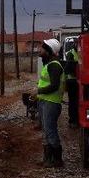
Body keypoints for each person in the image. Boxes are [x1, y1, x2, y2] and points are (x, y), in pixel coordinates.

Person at [34, 38, 66, 167]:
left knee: (50, 130)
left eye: (42, 47)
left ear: (48, 50)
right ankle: (47, 159)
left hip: (51, 102)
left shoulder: (54, 65)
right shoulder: (49, 64)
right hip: (45, 101)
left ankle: (57, 160)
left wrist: (38, 91)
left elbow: (54, 86)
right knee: (46, 131)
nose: (39, 49)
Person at [64, 39, 80, 128]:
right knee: (73, 102)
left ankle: (77, 119)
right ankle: (73, 120)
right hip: (73, 81)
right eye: (77, 43)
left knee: (78, 102)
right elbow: (68, 69)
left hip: (79, 81)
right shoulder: (71, 53)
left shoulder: (82, 51)